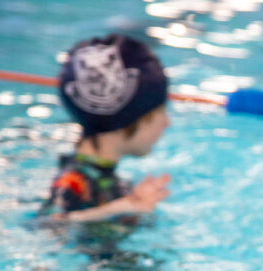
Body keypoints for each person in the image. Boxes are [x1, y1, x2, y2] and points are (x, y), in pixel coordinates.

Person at [39, 35, 171, 223]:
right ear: (130, 117)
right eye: (160, 113)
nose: (167, 123)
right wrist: (116, 209)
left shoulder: (109, 179)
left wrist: (132, 207)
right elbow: (48, 224)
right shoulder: (73, 180)